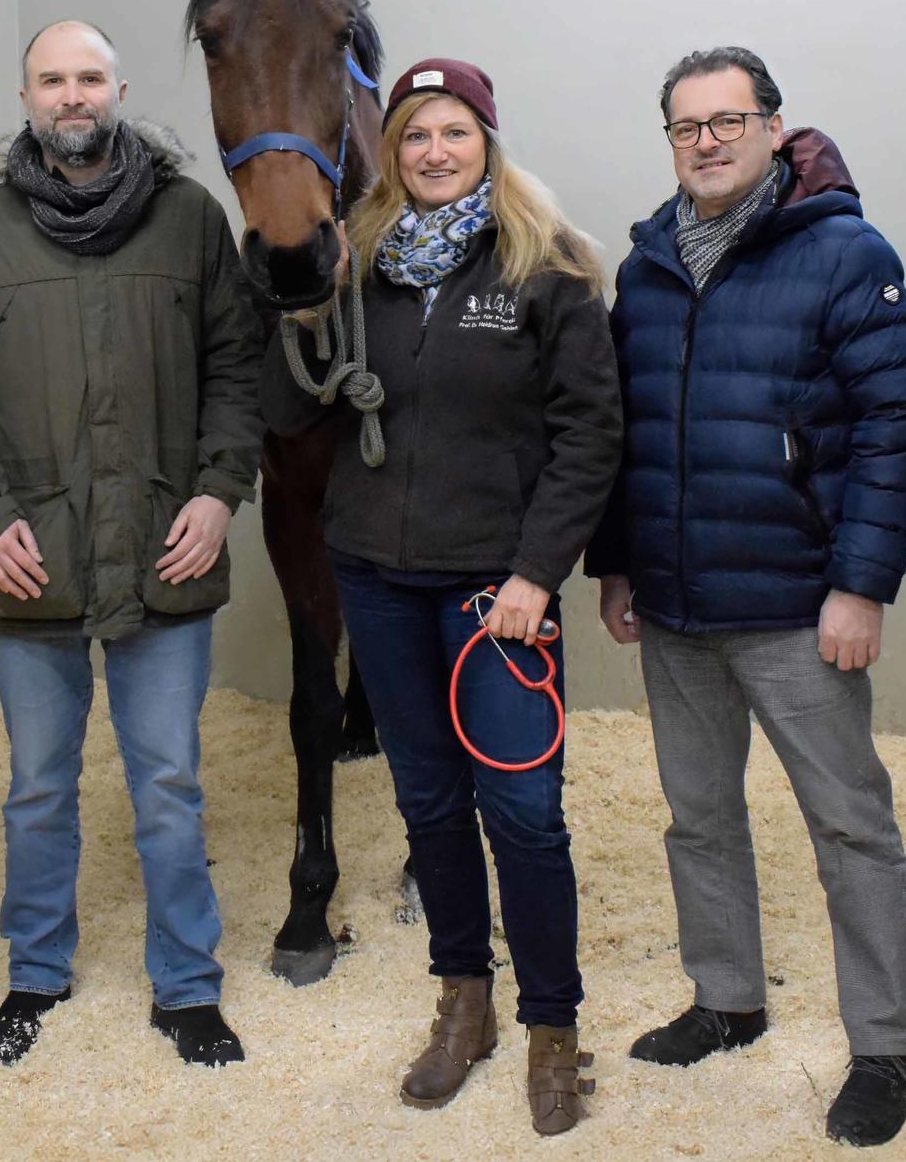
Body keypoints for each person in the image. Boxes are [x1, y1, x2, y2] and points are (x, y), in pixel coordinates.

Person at [263, 59, 622, 1135]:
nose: (432, 152)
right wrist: (303, 310)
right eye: (414, 134)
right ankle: (464, 1002)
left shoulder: (548, 268)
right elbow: (293, 410)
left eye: (453, 132)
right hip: (376, 578)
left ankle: (551, 1026)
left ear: (487, 144)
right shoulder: (356, 263)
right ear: (392, 152)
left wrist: (534, 575)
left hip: (494, 594)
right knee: (426, 805)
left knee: (524, 814)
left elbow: (590, 436)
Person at [586, 46, 906, 1147]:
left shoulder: (843, 252)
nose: (707, 141)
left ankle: (883, 1046)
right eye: (686, 126)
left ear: (773, 129)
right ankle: (726, 999)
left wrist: (860, 587)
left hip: (796, 605)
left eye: (727, 121)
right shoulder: (646, 267)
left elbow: (896, 424)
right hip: (676, 605)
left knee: (849, 825)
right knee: (697, 817)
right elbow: (622, 430)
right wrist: (617, 562)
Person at [0, 20, 264, 1068]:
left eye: (89, 77)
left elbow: (238, 372)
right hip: (32, 563)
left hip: (165, 552)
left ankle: (186, 986)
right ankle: (38, 971)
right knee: (36, 788)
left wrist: (218, 494)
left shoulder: (190, 220)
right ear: (26, 97)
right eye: (52, 79)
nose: (72, 95)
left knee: (167, 785)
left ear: (119, 90)